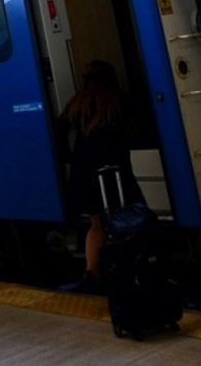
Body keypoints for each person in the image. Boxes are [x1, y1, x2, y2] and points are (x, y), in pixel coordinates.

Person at [59, 60, 144, 291]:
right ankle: (131, 271)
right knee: (128, 219)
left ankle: (92, 273)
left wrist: (69, 158)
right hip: (116, 170)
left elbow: (59, 131)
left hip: (85, 171)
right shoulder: (120, 100)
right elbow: (137, 126)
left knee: (96, 224)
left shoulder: (77, 102)